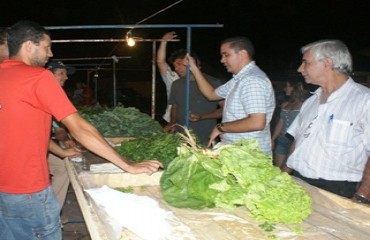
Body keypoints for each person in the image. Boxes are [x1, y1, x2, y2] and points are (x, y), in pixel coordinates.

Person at [0, 20, 162, 240]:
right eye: (47, 46)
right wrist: (127, 165)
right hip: (27, 191)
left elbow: (18, 129)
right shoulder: (38, 77)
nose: (50, 53)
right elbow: (79, 128)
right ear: (29, 45)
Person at [283, 39, 370, 202]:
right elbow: (297, 143)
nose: (300, 69)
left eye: (305, 63)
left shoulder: (364, 101)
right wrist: (282, 176)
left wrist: (362, 197)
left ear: (327, 63)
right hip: (299, 182)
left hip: (339, 192)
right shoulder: (310, 101)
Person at [187, 36, 275, 155]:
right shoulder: (239, 79)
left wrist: (220, 127)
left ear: (242, 54)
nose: (222, 60)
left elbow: (256, 122)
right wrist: (194, 68)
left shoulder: (252, 80)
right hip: (237, 151)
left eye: (226, 55)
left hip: (249, 155)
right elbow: (211, 95)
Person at [157, 31, 223, 146]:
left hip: (205, 137)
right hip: (181, 138)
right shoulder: (176, 84)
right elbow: (175, 106)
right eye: (174, 66)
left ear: (193, 63)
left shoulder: (213, 82)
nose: (176, 68)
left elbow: (224, 110)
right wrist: (173, 122)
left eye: (179, 64)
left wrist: (202, 117)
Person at [46, 61, 78, 214]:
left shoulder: (56, 95)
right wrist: (62, 151)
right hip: (22, 150)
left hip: (43, 145)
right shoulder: (40, 93)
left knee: (64, 168)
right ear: (48, 75)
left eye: (66, 73)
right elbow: (35, 137)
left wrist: (66, 140)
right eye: (61, 73)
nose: (65, 77)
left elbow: (58, 129)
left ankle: (52, 213)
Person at [271, 81, 308, 168]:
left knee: (288, 172)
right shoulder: (285, 104)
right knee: (278, 170)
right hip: (282, 140)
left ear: (295, 88)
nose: (284, 88)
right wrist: (272, 139)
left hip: (295, 142)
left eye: (287, 86)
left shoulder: (306, 104)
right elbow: (281, 122)